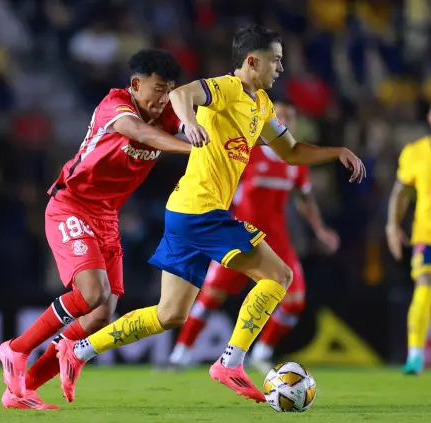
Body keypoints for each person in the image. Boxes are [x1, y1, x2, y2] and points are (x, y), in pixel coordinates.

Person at [56, 24, 365, 404]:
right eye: (276, 61)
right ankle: (231, 362)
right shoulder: (226, 88)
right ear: (252, 61)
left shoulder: (262, 105)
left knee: (169, 314)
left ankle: (79, 350)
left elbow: (291, 151)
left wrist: (336, 151)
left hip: (184, 211)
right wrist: (188, 122)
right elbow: (183, 94)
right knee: (279, 275)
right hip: (202, 210)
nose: (281, 68)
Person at [0, 49, 194, 409]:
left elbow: (195, 123)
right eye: (158, 89)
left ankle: (20, 389)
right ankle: (16, 348)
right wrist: (192, 148)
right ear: (136, 84)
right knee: (92, 292)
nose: (163, 98)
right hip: (71, 204)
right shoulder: (115, 105)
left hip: (107, 216)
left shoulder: (167, 113)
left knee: (102, 313)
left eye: (170, 90)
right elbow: (138, 133)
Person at [168, 102, 340, 374]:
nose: (284, 121)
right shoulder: (248, 152)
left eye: (289, 117)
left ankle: (262, 352)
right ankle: (180, 354)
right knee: (211, 296)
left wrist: (320, 230)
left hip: (277, 241)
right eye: (279, 117)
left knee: (295, 302)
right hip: (241, 237)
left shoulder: (296, 162)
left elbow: (305, 200)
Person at [386, 106, 431, 375]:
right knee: (424, 285)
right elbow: (400, 192)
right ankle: (415, 356)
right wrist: (392, 226)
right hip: (427, 235)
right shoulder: (416, 152)